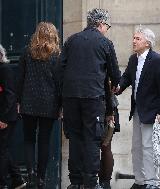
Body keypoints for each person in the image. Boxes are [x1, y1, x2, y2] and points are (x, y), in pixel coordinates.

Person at [60, 8, 121, 189]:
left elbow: (60, 70)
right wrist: (114, 84)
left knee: (75, 138)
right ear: (101, 24)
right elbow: (115, 74)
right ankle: (90, 183)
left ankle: (75, 182)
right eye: (107, 26)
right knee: (92, 139)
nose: (106, 30)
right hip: (93, 98)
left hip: (70, 97)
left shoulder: (71, 40)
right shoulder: (105, 42)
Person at [117, 26, 160, 189]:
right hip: (138, 110)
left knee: (149, 147)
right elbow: (126, 77)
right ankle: (140, 181)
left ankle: (152, 182)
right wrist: (118, 87)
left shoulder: (157, 60)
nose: (133, 41)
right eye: (133, 38)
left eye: (137, 38)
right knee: (136, 147)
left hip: (152, 112)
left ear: (148, 43)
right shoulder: (134, 59)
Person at [17, 22, 61, 188]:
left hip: (29, 102)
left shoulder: (27, 53)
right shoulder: (56, 55)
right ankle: (41, 178)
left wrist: (18, 101)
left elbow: (19, 79)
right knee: (44, 141)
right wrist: (61, 105)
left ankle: (31, 174)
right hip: (49, 104)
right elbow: (59, 84)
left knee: (29, 139)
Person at [0, 44, 26, 189]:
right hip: (3, 116)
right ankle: (17, 179)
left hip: (6, 117)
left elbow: (10, 96)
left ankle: (3, 183)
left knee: (2, 150)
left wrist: (3, 119)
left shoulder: (5, 70)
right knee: (2, 149)